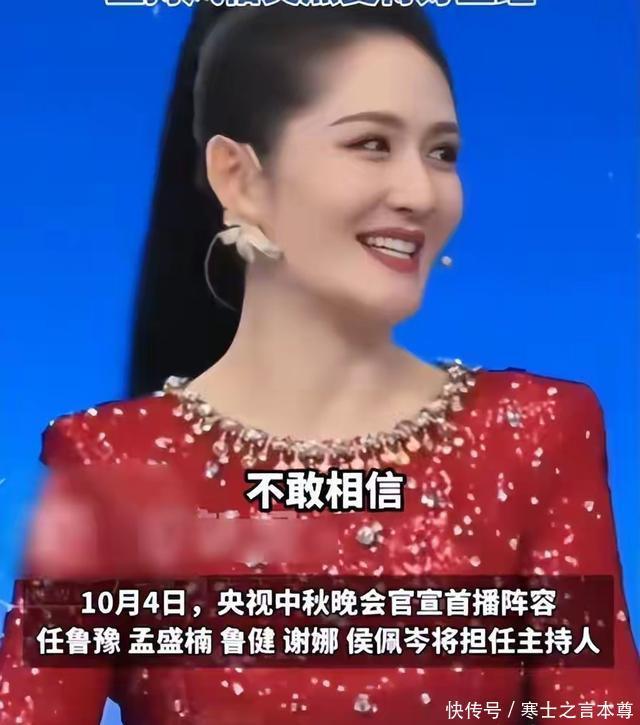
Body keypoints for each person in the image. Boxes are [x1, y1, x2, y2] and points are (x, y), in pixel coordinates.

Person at [1, 5, 638, 723]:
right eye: (372, 144)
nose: (422, 194)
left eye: (442, 152)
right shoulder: (109, 465)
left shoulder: (535, 434)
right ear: (239, 177)